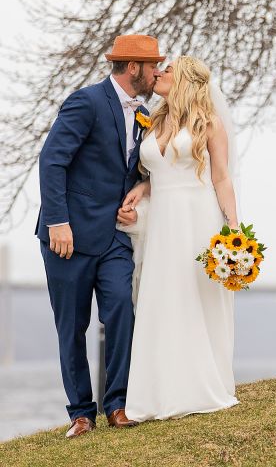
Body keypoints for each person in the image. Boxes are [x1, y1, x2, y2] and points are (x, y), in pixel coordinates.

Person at [35, 34, 164, 438]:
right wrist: (58, 222)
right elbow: (52, 160)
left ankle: (118, 403)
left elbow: (135, 168)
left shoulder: (144, 112)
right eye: (153, 65)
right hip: (68, 238)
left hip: (113, 237)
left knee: (122, 308)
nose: (157, 71)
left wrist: (137, 191)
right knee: (71, 326)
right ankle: (81, 413)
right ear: (132, 68)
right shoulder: (86, 101)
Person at [121, 55, 240, 421]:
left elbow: (220, 177)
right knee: (162, 298)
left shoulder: (209, 123)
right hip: (162, 222)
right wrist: (142, 188)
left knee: (194, 297)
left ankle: (200, 387)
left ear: (185, 79)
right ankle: (157, 393)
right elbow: (160, 171)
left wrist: (234, 232)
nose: (158, 73)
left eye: (167, 70)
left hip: (196, 217)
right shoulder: (154, 120)